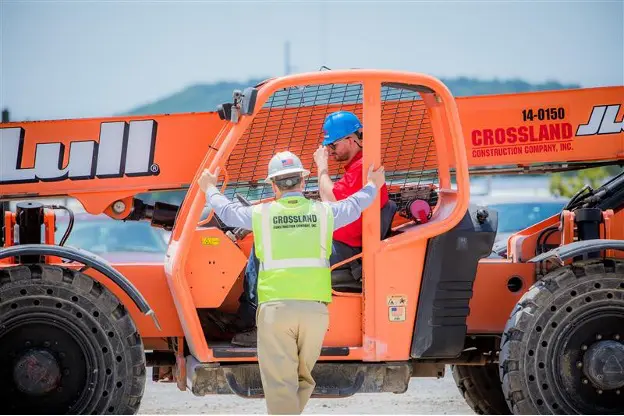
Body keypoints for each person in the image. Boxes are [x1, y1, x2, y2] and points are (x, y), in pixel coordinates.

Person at [198, 151, 385, 415]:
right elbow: (354, 206)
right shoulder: (324, 212)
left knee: (280, 385)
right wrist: (373, 184)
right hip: (315, 311)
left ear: (273, 185)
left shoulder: (262, 214)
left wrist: (210, 188)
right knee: (302, 378)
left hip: (276, 311)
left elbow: (229, 213)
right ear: (302, 182)